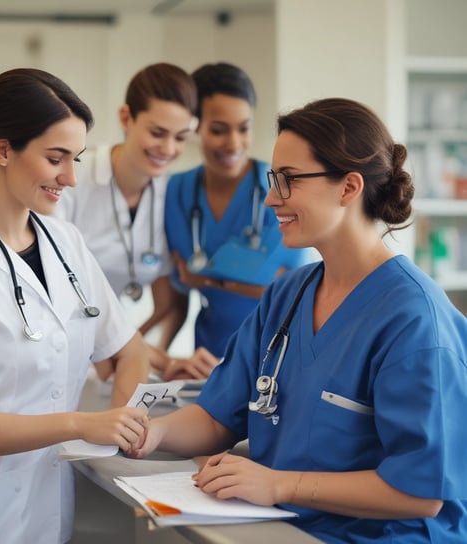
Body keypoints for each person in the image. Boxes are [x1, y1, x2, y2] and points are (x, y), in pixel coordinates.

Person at [131, 98, 467, 543]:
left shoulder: (414, 319)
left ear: (348, 188)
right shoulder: (288, 295)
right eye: (273, 180)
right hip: (287, 526)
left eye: (288, 181)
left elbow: (420, 494)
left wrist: (278, 484)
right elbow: (216, 419)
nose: (271, 198)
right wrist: (145, 433)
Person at [0, 68, 150, 543]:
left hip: (52, 501)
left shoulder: (66, 241)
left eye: (76, 159)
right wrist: (83, 424)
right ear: (3, 150)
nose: (69, 177)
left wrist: (124, 423)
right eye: (55, 158)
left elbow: (130, 350)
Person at [56, 63, 219, 381]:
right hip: (61, 350)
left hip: (112, 360)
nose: (168, 149)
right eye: (157, 133)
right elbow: (68, 299)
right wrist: (149, 358)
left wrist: (150, 358)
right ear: (126, 118)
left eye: (181, 137)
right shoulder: (73, 180)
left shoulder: (171, 195)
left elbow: (169, 305)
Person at [164, 62, 310, 358]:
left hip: (278, 349)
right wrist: (155, 361)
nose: (233, 143)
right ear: (195, 127)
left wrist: (205, 280)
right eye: (218, 130)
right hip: (207, 353)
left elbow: (286, 287)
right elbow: (176, 292)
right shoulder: (175, 191)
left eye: (244, 128)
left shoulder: (280, 188)